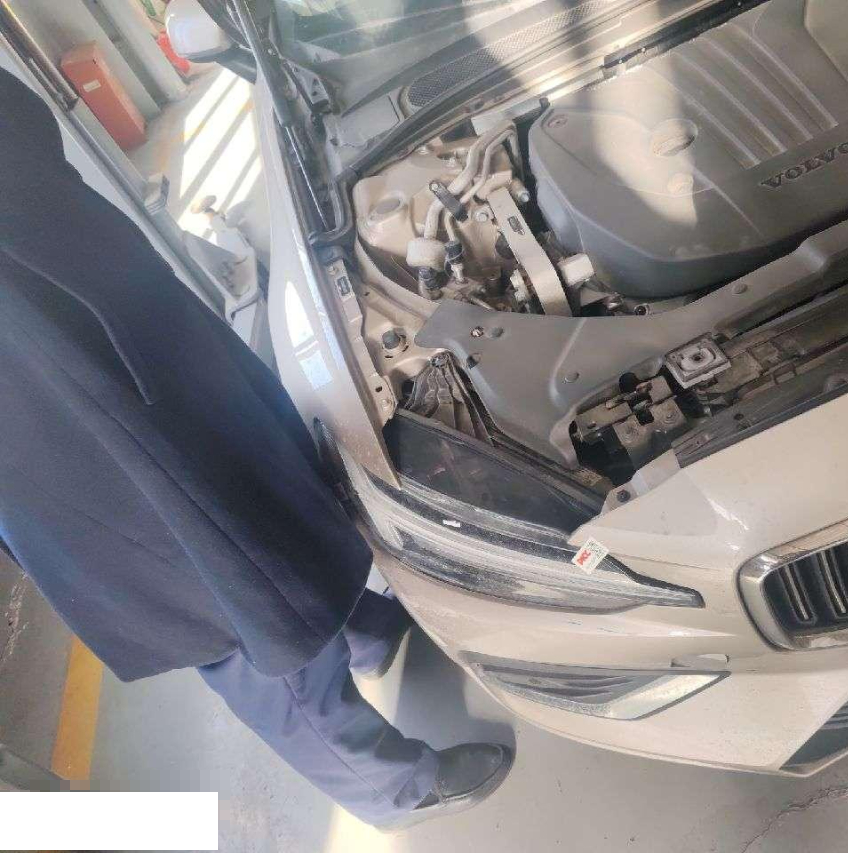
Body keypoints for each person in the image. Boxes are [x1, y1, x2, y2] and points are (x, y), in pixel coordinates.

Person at [0, 67, 511, 828]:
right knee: (236, 609)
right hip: (62, 432)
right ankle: (390, 788)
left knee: (265, 517)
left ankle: (362, 633)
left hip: (114, 350)